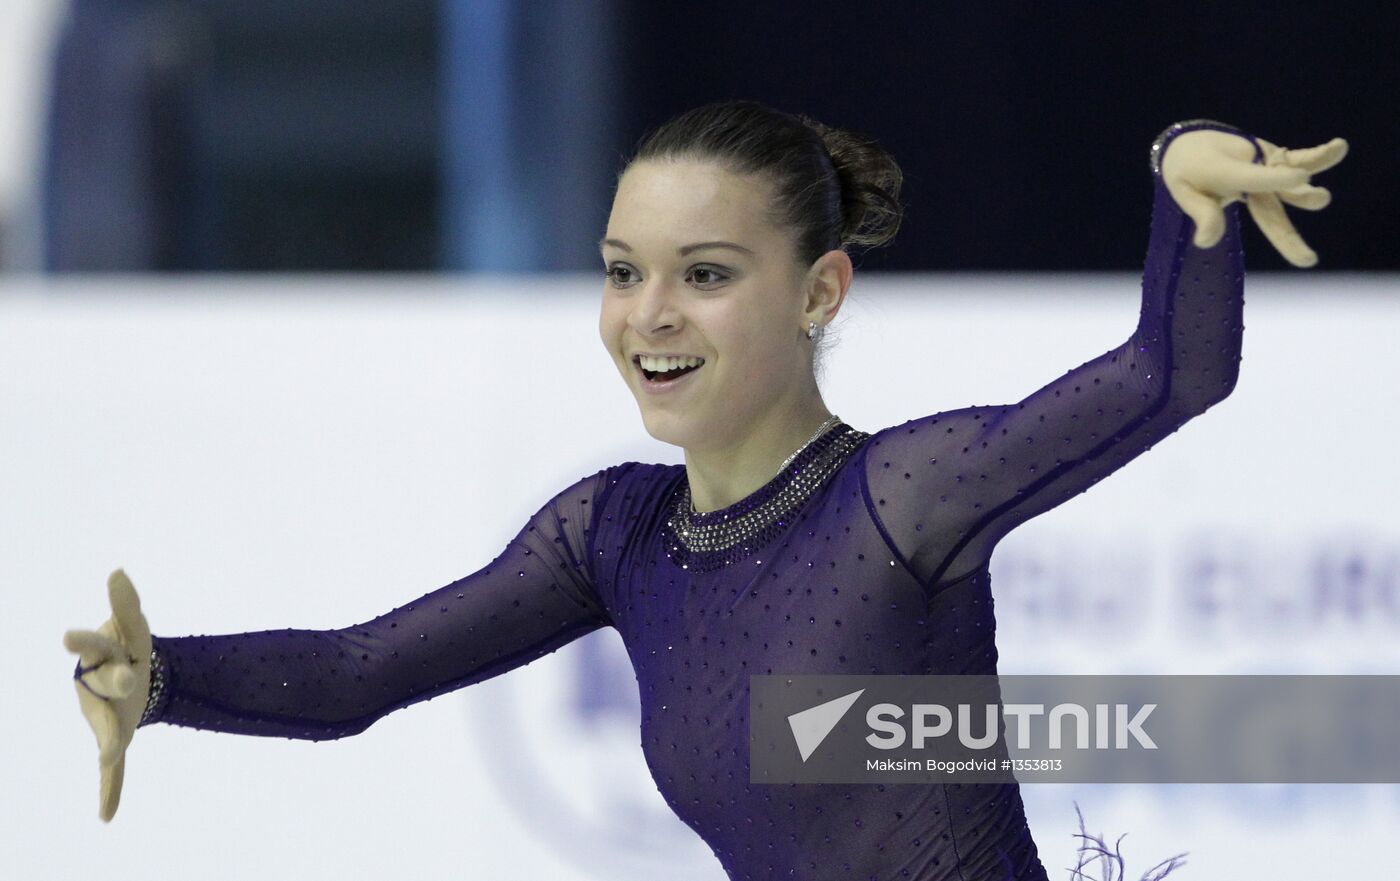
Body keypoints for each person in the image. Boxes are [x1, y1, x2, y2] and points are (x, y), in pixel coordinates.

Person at [64, 100, 1347, 880]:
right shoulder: (611, 533)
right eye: (623, 270)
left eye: (706, 273)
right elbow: (357, 672)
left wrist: (1187, 195)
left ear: (818, 291)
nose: (649, 315)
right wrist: (166, 677)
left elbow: (1169, 375)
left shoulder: (903, 494)